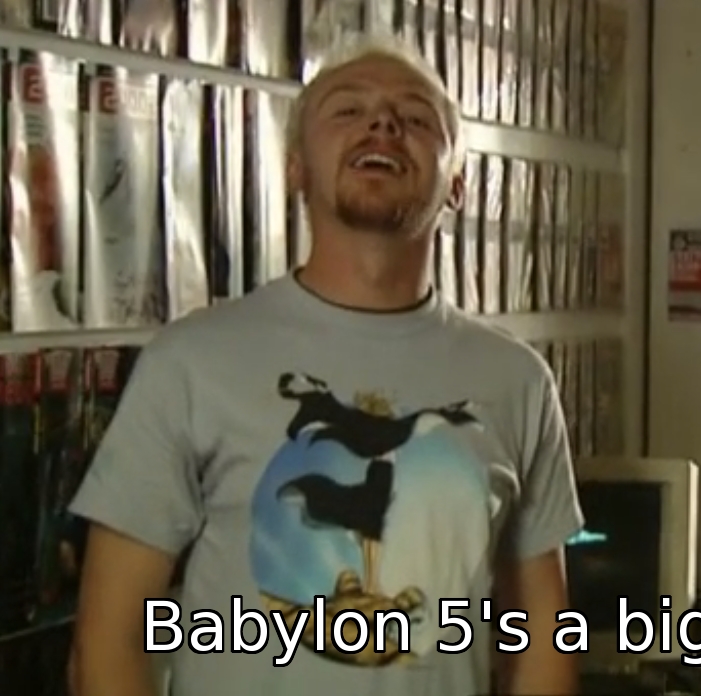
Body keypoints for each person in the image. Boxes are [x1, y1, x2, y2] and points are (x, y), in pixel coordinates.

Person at [68, 35, 583, 696]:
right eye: (347, 110)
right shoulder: (191, 362)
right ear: (294, 170)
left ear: (458, 183)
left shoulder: (516, 380)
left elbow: (542, 635)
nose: (383, 124)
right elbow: (106, 644)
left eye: (416, 117)